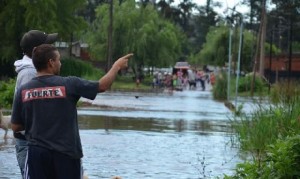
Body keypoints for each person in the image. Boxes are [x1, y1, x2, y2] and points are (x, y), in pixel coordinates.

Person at [11, 44, 133, 179]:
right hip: (66, 154)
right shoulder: (69, 84)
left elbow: (16, 126)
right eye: (58, 60)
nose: (60, 63)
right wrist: (116, 66)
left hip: (37, 155)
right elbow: (102, 85)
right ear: (51, 63)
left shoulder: (23, 90)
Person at [14, 30, 58, 178]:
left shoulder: (33, 72)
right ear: (35, 51)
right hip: (29, 143)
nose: (51, 49)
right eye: (47, 46)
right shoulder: (28, 74)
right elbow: (29, 110)